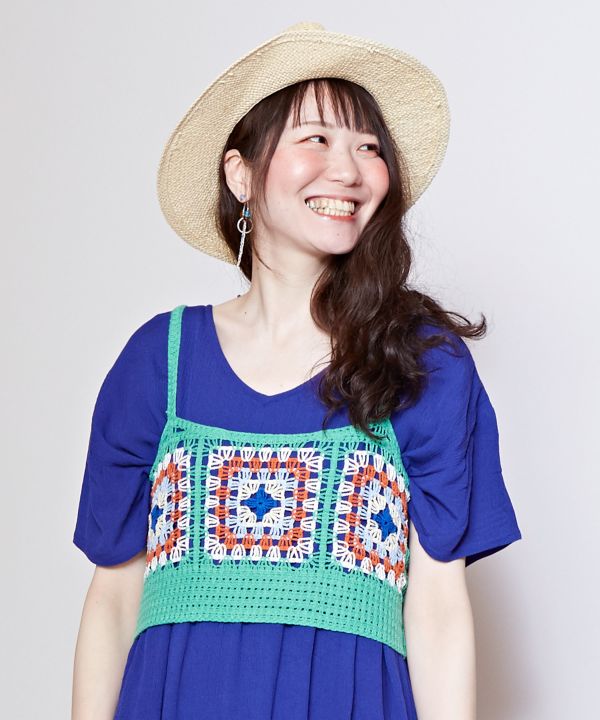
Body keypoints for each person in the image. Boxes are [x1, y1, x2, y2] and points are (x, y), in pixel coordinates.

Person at [71, 22, 522, 720]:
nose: (349, 170)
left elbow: (438, 609)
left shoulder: (421, 360)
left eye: (369, 147)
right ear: (240, 173)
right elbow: (113, 598)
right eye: (316, 138)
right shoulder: (159, 359)